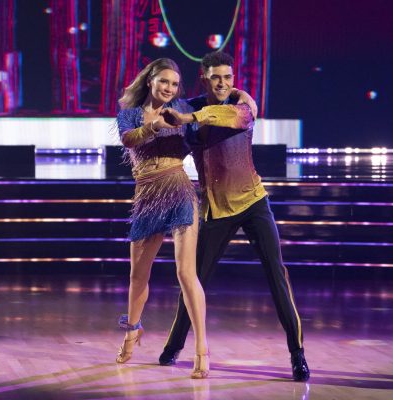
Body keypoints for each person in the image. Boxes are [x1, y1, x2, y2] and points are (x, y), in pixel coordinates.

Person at [158, 51, 310, 382]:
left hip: (254, 202)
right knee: (194, 281)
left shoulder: (240, 107)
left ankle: (297, 355)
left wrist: (186, 120)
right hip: (215, 208)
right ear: (204, 77)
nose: (223, 82)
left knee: (277, 275)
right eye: (216, 77)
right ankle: (173, 346)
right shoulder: (188, 107)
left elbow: (232, 117)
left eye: (228, 77)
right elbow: (168, 117)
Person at [115, 58, 209, 379]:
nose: (169, 88)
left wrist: (239, 94)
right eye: (163, 82)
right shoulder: (130, 113)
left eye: (174, 83)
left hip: (180, 191)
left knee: (186, 273)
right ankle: (132, 332)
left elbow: (215, 105)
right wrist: (152, 125)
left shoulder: (182, 109)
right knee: (138, 276)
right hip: (147, 196)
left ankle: (202, 350)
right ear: (150, 81)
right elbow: (129, 139)